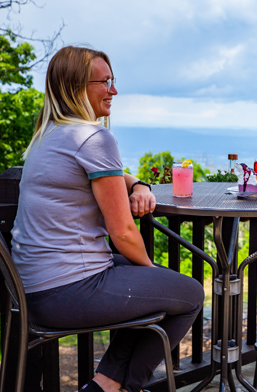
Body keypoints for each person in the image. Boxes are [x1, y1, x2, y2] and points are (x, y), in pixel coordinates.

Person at [10, 46, 204, 392]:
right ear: (75, 87)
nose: (114, 91)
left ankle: (104, 385)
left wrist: (138, 183)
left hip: (31, 287)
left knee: (151, 288)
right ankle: (123, 386)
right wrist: (151, 271)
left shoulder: (49, 135)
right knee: (188, 294)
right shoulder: (93, 138)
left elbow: (110, 175)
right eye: (105, 82)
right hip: (66, 290)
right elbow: (123, 232)